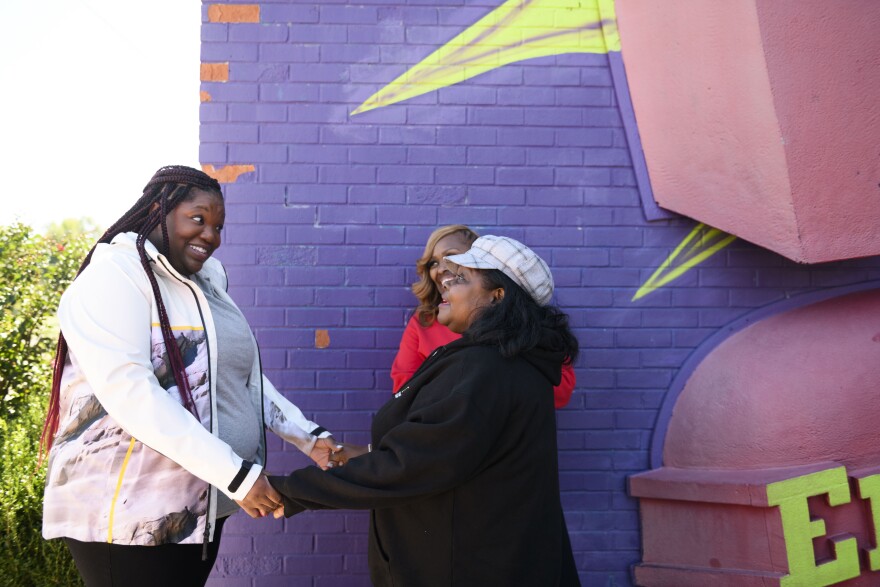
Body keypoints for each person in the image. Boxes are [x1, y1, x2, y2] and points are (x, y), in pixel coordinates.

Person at [40, 165, 340, 586]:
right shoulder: (116, 275)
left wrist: (309, 437)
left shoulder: (206, 283)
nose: (211, 236)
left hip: (200, 506)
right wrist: (236, 474)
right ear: (159, 209)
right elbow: (131, 393)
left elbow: (242, 378)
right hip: (127, 517)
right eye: (198, 219)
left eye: (218, 226)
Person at [269, 235, 581, 586]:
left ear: (498, 296)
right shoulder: (511, 363)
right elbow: (455, 451)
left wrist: (290, 490)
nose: (444, 282)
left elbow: (413, 466)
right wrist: (370, 454)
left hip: (464, 567)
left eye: (460, 278)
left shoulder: (485, 370)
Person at [391, 224, 576, 407]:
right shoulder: (423, 322)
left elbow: (559, 390)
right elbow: (405, 389)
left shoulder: (519, 325)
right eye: (433, 263)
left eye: (452, 257)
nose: (441, 269)